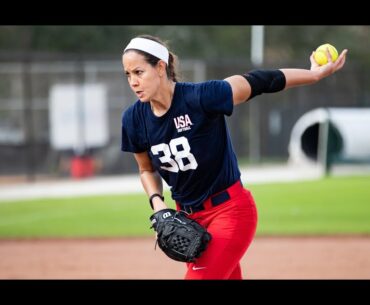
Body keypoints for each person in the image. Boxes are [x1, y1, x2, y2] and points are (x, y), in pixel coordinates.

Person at [120, 34, 348, 279]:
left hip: (229, 211)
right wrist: (159, 207)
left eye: (139, 72)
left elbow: (261, 81)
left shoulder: (202, 97)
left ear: (161, 67)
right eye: (128, 74)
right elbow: (146, 169)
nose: (133, 81)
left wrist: (313, 75)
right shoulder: (133, 119)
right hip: (189, 220)